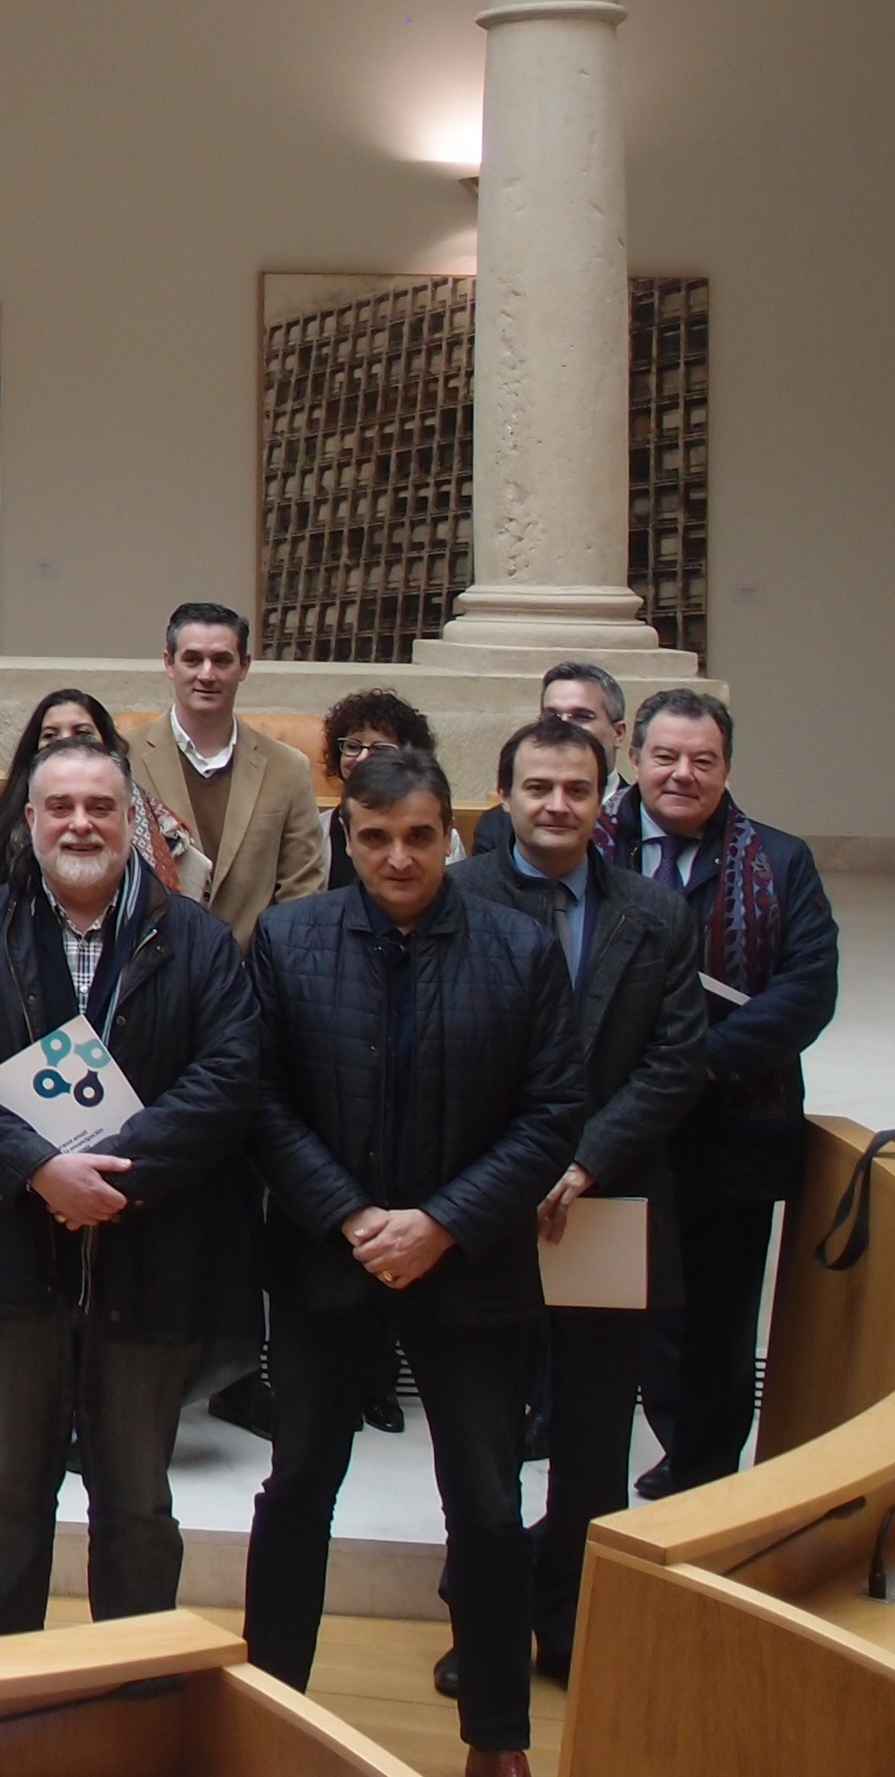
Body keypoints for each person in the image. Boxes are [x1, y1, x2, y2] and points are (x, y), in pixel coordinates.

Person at [242, 746, 585, 1777]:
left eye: (420, 837)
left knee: (483, 1503)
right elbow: (258, 1099)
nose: (400, 858)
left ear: (454, 835)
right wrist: (351, 1217)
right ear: (349, 838)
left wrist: (438, 1222)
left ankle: (497, 1737)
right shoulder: (291, 939)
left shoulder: (520, 949)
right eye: (378, 838)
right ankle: (268, 1706)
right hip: (325, 1266)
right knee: (300, 1485)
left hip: (470, 1270)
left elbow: (553, 1113)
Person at [0, 735, 261, 1636]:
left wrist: (113, 1177)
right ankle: (7, 1684)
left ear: (132, 821)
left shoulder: (198, 940)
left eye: (100, 807)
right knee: (9, 1495)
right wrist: (39, 1169)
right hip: (9, 1266)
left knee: (137, 1505)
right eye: (58, 807)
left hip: (146, 1264)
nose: (79, 823)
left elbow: (229, 1076)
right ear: (28, 822)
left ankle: (131, 1690)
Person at [442, 715, 705, 1693]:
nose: (557, 805)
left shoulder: (656, 913)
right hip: (481, 1214)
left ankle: (569, 1633)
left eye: (577, 790)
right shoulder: (457, 898)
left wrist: (583, 1163)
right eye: (538, 788)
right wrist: (515, 1170)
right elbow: (439, 1049)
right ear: (504, 797)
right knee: (480, 1451)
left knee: (593, 1447)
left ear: (605, 801)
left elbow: (675, 1063)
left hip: (608, 1207)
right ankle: (485, 1639)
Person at [625, 688, 838, 1499]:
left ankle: (706, 1470)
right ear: (634, 758)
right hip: (617, 1125)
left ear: (726, 770)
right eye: (666, 756)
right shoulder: (592, 850)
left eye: (702, 761)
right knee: (632, 1307)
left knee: (716, 1314)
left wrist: (696, 1064)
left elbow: (807, 988)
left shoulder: (780, 861)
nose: (682, 774)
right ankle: (638, 1437)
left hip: (732, 1124)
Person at [124, 604, 323, 945]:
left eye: (221, 660)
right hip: (150, 973)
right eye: (192, 659)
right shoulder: (123, 759)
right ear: (169, 663)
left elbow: (302, 891)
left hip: (252, 976)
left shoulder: (288, 768)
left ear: (244, 666)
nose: (207, 674)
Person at [0, 687, 210, 913]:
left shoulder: (169, 838)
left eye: (82, 733)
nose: (65, 742)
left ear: (130, 817)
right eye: (50, 734)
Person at [467, 664, 640, 871]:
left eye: (581, 716)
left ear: (618, 733)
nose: (564, 727)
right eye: (552, 717)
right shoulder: (499, 823)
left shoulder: (644, 815)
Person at [315, 689, 451, 894]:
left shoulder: (440, 832)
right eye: (352, 746)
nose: (362, 757)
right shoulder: (316, 829)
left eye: (380, 749)